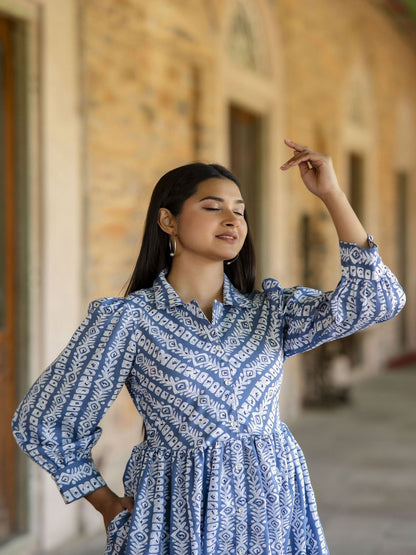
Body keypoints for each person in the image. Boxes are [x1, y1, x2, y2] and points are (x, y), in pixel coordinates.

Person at [12, 139, 405, 554]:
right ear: (169, 221)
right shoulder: (128, 319)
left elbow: (377, 302)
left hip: (273, 511)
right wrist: (105, 503)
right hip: (175, 516)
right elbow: (44, 421)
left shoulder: (270, 311)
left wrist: (332, 195)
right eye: (213, 207)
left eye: (240, 210)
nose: (232, 218)